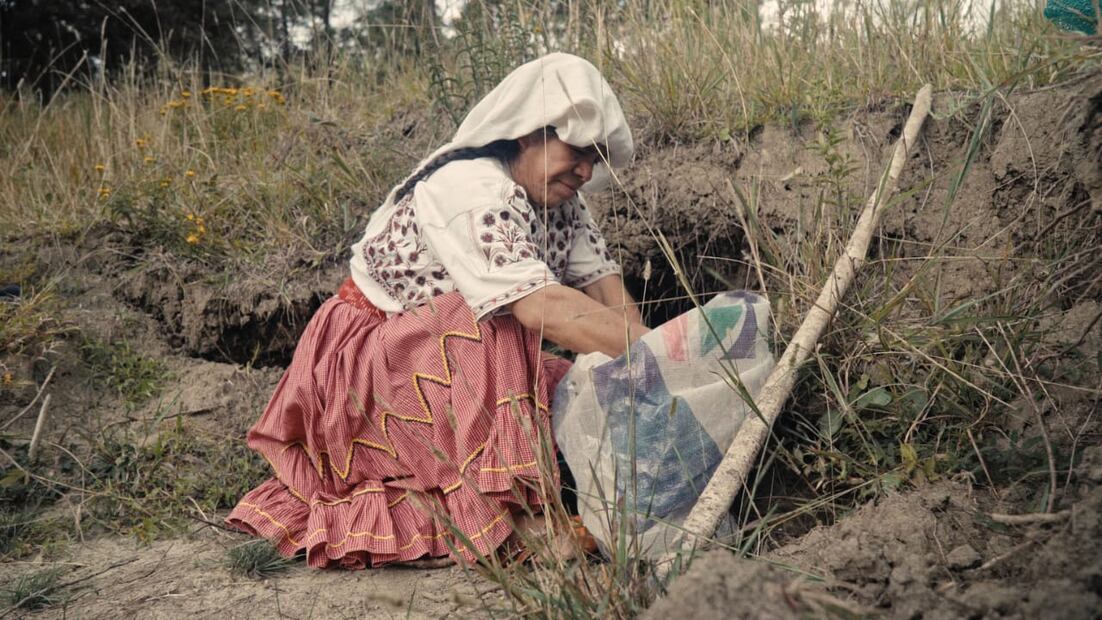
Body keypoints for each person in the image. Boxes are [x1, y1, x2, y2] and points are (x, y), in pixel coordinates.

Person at [226, 53, 648, 569]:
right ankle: (514, 520)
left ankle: (557, 495)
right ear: (526, 134)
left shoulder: (562, 205)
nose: (584, 170)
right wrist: (656, 351)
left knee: (571, 383)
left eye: (595, 159)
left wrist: (662, 359)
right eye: (577, 151)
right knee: (501, 313)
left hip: (437, 356)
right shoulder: (467, 187)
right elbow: (540, 306)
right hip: (363, 369)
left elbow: (608, 297)